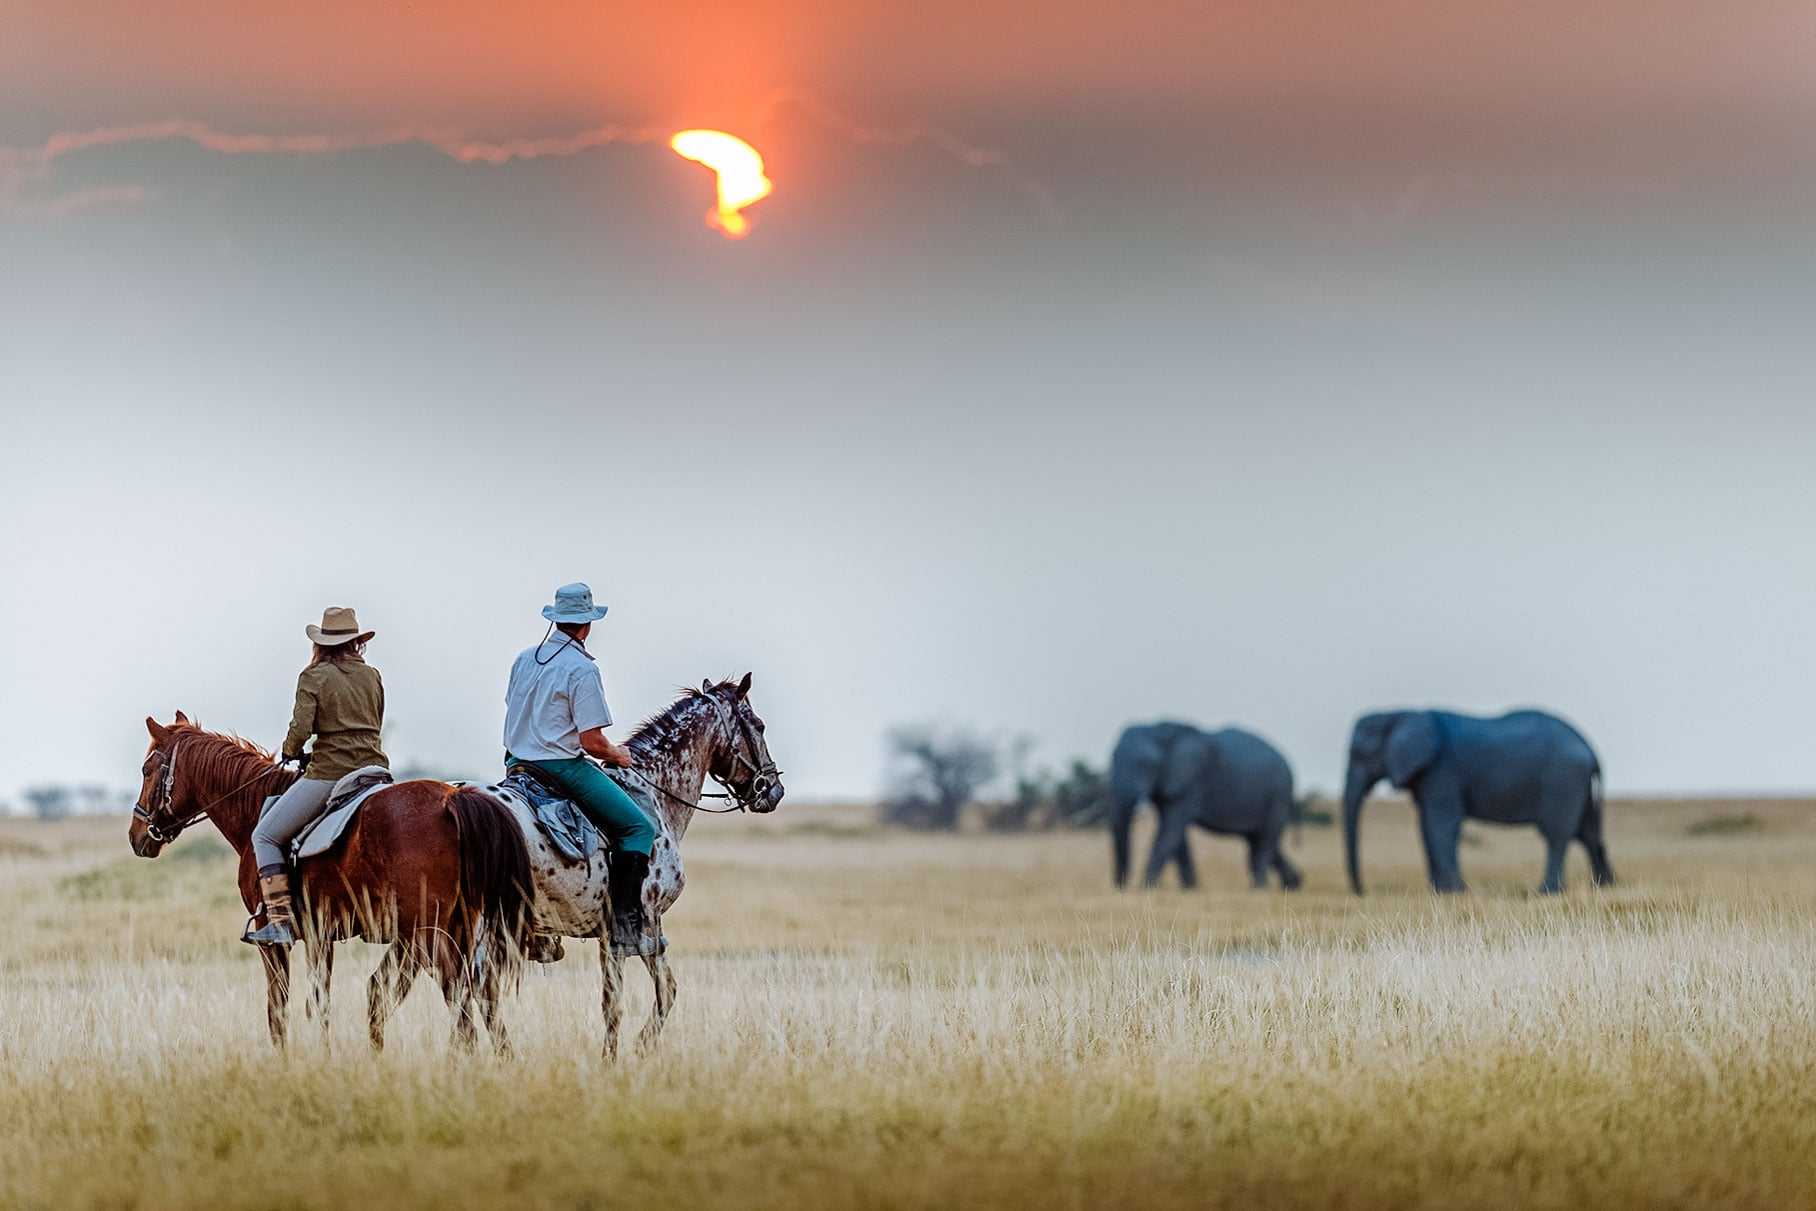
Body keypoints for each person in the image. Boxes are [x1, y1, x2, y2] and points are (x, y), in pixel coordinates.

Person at [503, 582, 659, 957]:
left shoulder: (524, 658)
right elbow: (591, 742)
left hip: (514, 765)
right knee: (639, 828)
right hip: (561, 767)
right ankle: (625, 926)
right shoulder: (581, 669)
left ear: (556, 620)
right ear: (587, 625)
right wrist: (619, 755)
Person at [244, 606, 389, 945]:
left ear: (322, 643)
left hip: (330, 774)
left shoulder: (314, 677)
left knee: (264, 836)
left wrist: (290, 751)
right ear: (356, 643)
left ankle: (279, 921)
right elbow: (375, 723)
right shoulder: (373, 676)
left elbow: (300, 729)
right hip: (375, 771)